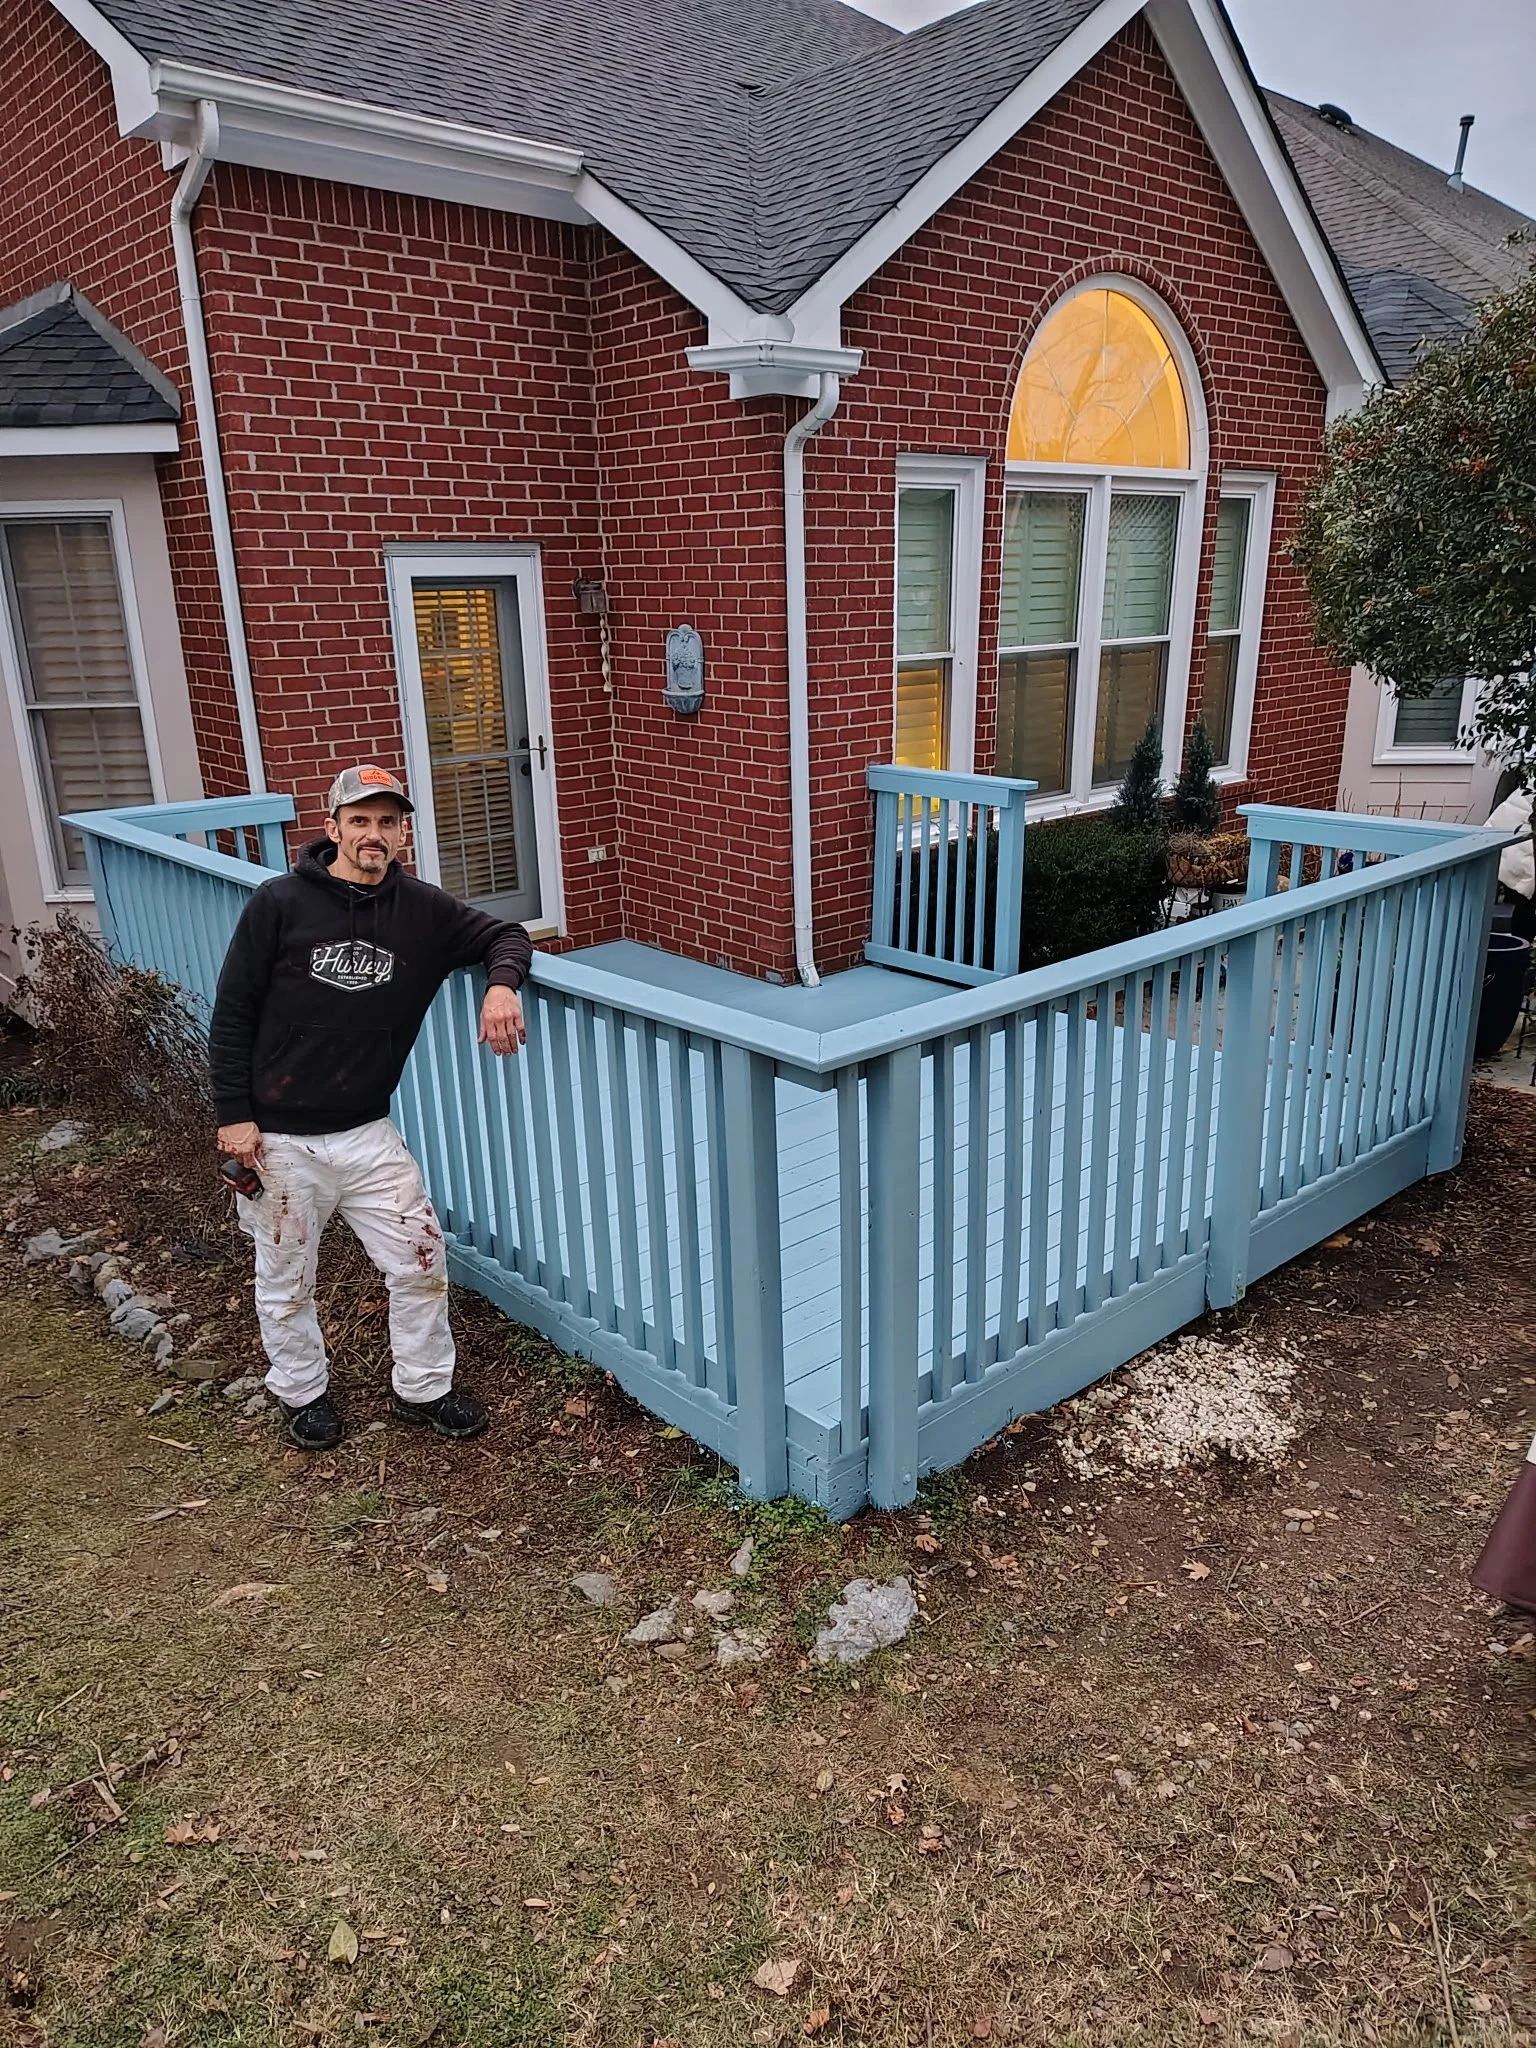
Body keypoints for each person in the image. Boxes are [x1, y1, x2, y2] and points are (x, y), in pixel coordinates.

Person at [209, 764, 532, 1451]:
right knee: (287, 1278)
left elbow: (505, 936)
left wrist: (501, 988)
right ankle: (301, 1394)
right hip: (280, 1137)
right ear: (332, 829)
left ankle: (424, 1388)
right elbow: (233, 1010)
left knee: (420, 1260)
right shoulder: (280, 903)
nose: (374, 833)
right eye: (360, 820)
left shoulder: (423, 910)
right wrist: (233, 1115)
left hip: (367, 1131)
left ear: (403, 833)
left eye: (388, 821)